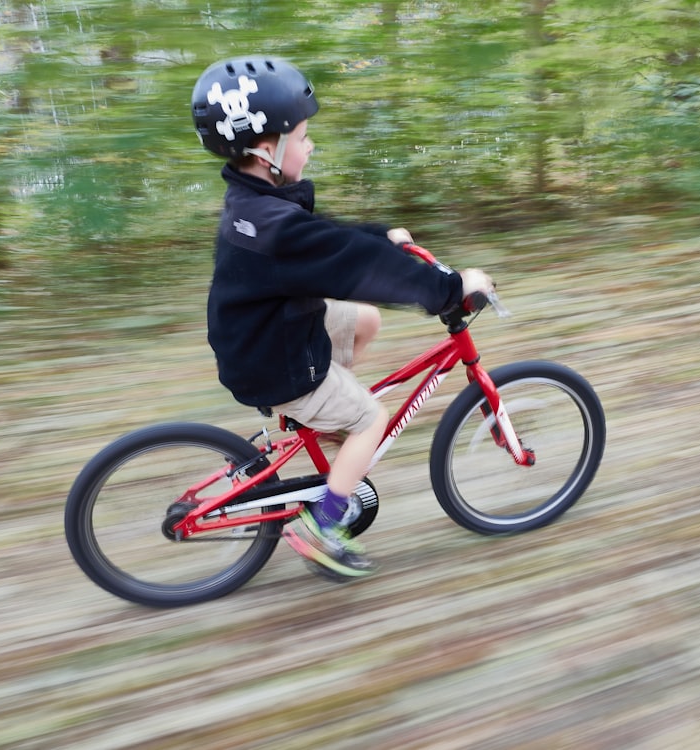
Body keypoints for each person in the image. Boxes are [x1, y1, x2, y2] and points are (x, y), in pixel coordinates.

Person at [191, 56, 493, 578]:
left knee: (365, 320)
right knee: (372, 419)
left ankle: (323, 417)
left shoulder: (255, 203)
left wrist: (380, 237)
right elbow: (352, 266)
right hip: (276, 359)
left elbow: (329, 244)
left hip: (262, 332)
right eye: (303, 136)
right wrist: (448, 290)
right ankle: (323, 527)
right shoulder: (276, 226)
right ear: (268, 151)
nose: (310, 146)